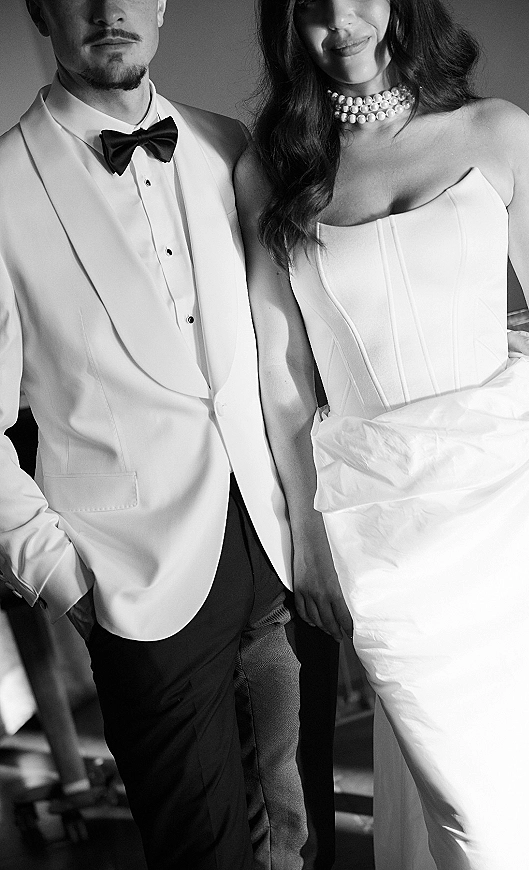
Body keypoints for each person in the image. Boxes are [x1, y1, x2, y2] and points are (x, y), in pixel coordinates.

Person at [234, 0, 529, 867]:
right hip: (385, 528)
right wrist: (308, 545)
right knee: (471, 815)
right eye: (312, 6)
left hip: (526, 499)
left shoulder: (497, 132)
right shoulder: (270, 174)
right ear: (288, 24)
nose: (339, 20)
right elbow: (282, 381)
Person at [0, 1, 342, 868]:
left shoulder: (232, 145)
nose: (109, 8)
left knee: (296, 836)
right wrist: (64, 581)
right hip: (136, 593)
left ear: (160, 4)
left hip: (274, 558)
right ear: (40, 7)